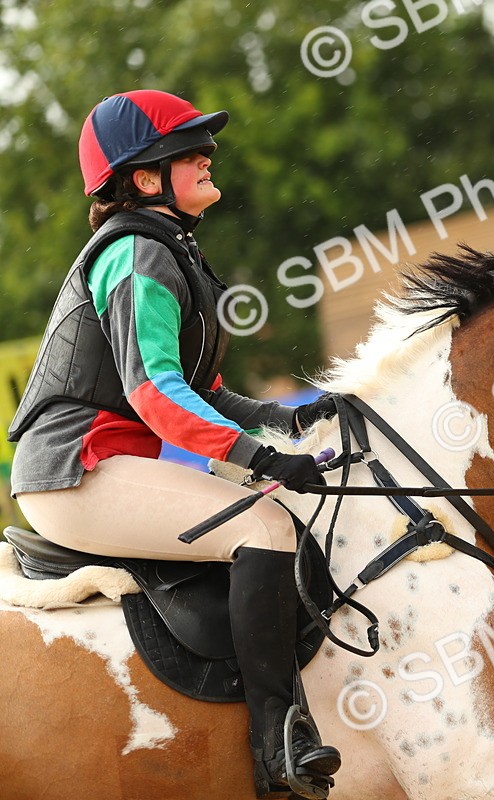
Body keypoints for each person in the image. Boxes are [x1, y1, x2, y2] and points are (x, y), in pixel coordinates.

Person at [6, 90, 341, 799]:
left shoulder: (168, 249)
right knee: (264, 524)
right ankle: (280, 742)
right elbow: (153, 393)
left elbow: (204, 389)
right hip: (75, 472)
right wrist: (256, 461)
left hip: (103, 465)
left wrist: (293, 421)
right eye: (190, 149)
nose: (207, 156)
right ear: (146, 176)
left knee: (274, 511)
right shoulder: (135, 253)